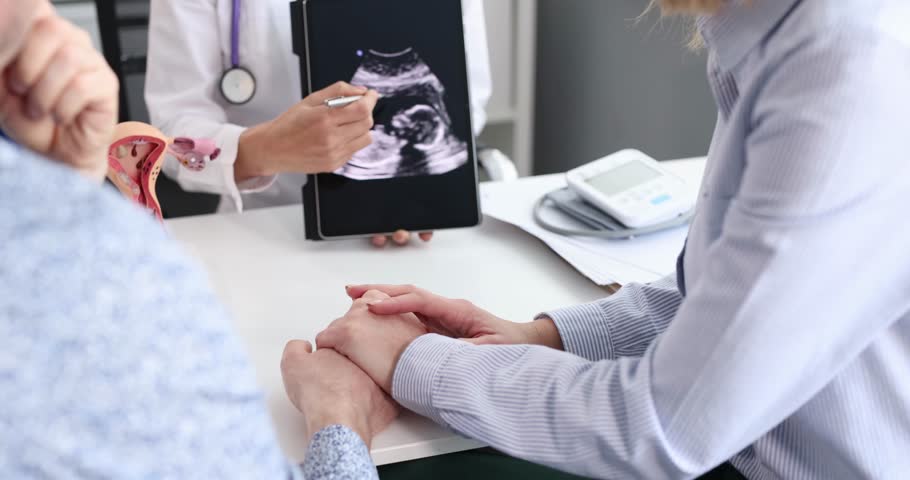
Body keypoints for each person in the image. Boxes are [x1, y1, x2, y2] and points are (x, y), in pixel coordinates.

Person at [310, 0, 910, 478]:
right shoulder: (762, 33)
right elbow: (715, 301)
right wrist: (539, 336)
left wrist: (410, 361)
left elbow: (666, 425)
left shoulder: (846, 78)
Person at [0, 2, 397, 477]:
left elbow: (465, 94)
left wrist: (66, 185)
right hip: (254, 237)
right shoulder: (115, 270)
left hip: (385, 235)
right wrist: (341, 417)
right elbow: (171, 128)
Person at [145, 0, 493, 246]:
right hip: (266, 228)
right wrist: (261, 150)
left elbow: (466, 96)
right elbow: (171, 132)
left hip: (411, 224)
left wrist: (403, 180)